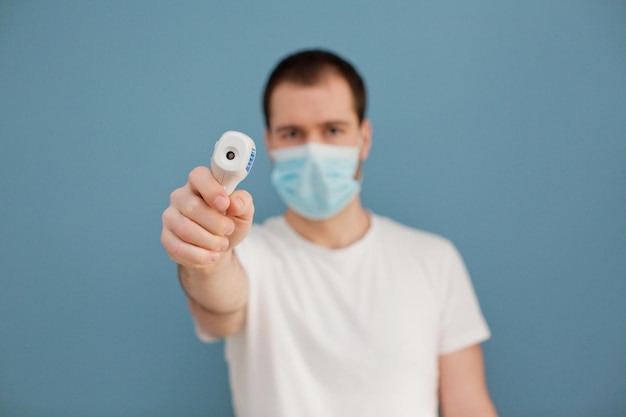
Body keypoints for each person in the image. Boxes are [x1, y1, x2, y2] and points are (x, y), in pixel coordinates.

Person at [161, 49, 498, 417]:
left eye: (333, 130)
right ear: (269, 143)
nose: (314, 151)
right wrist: (206, 255)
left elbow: (468, 405)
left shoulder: (435, 260)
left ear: (363, 138)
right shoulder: (247, 253)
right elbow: (219, 306)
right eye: (292, 133)